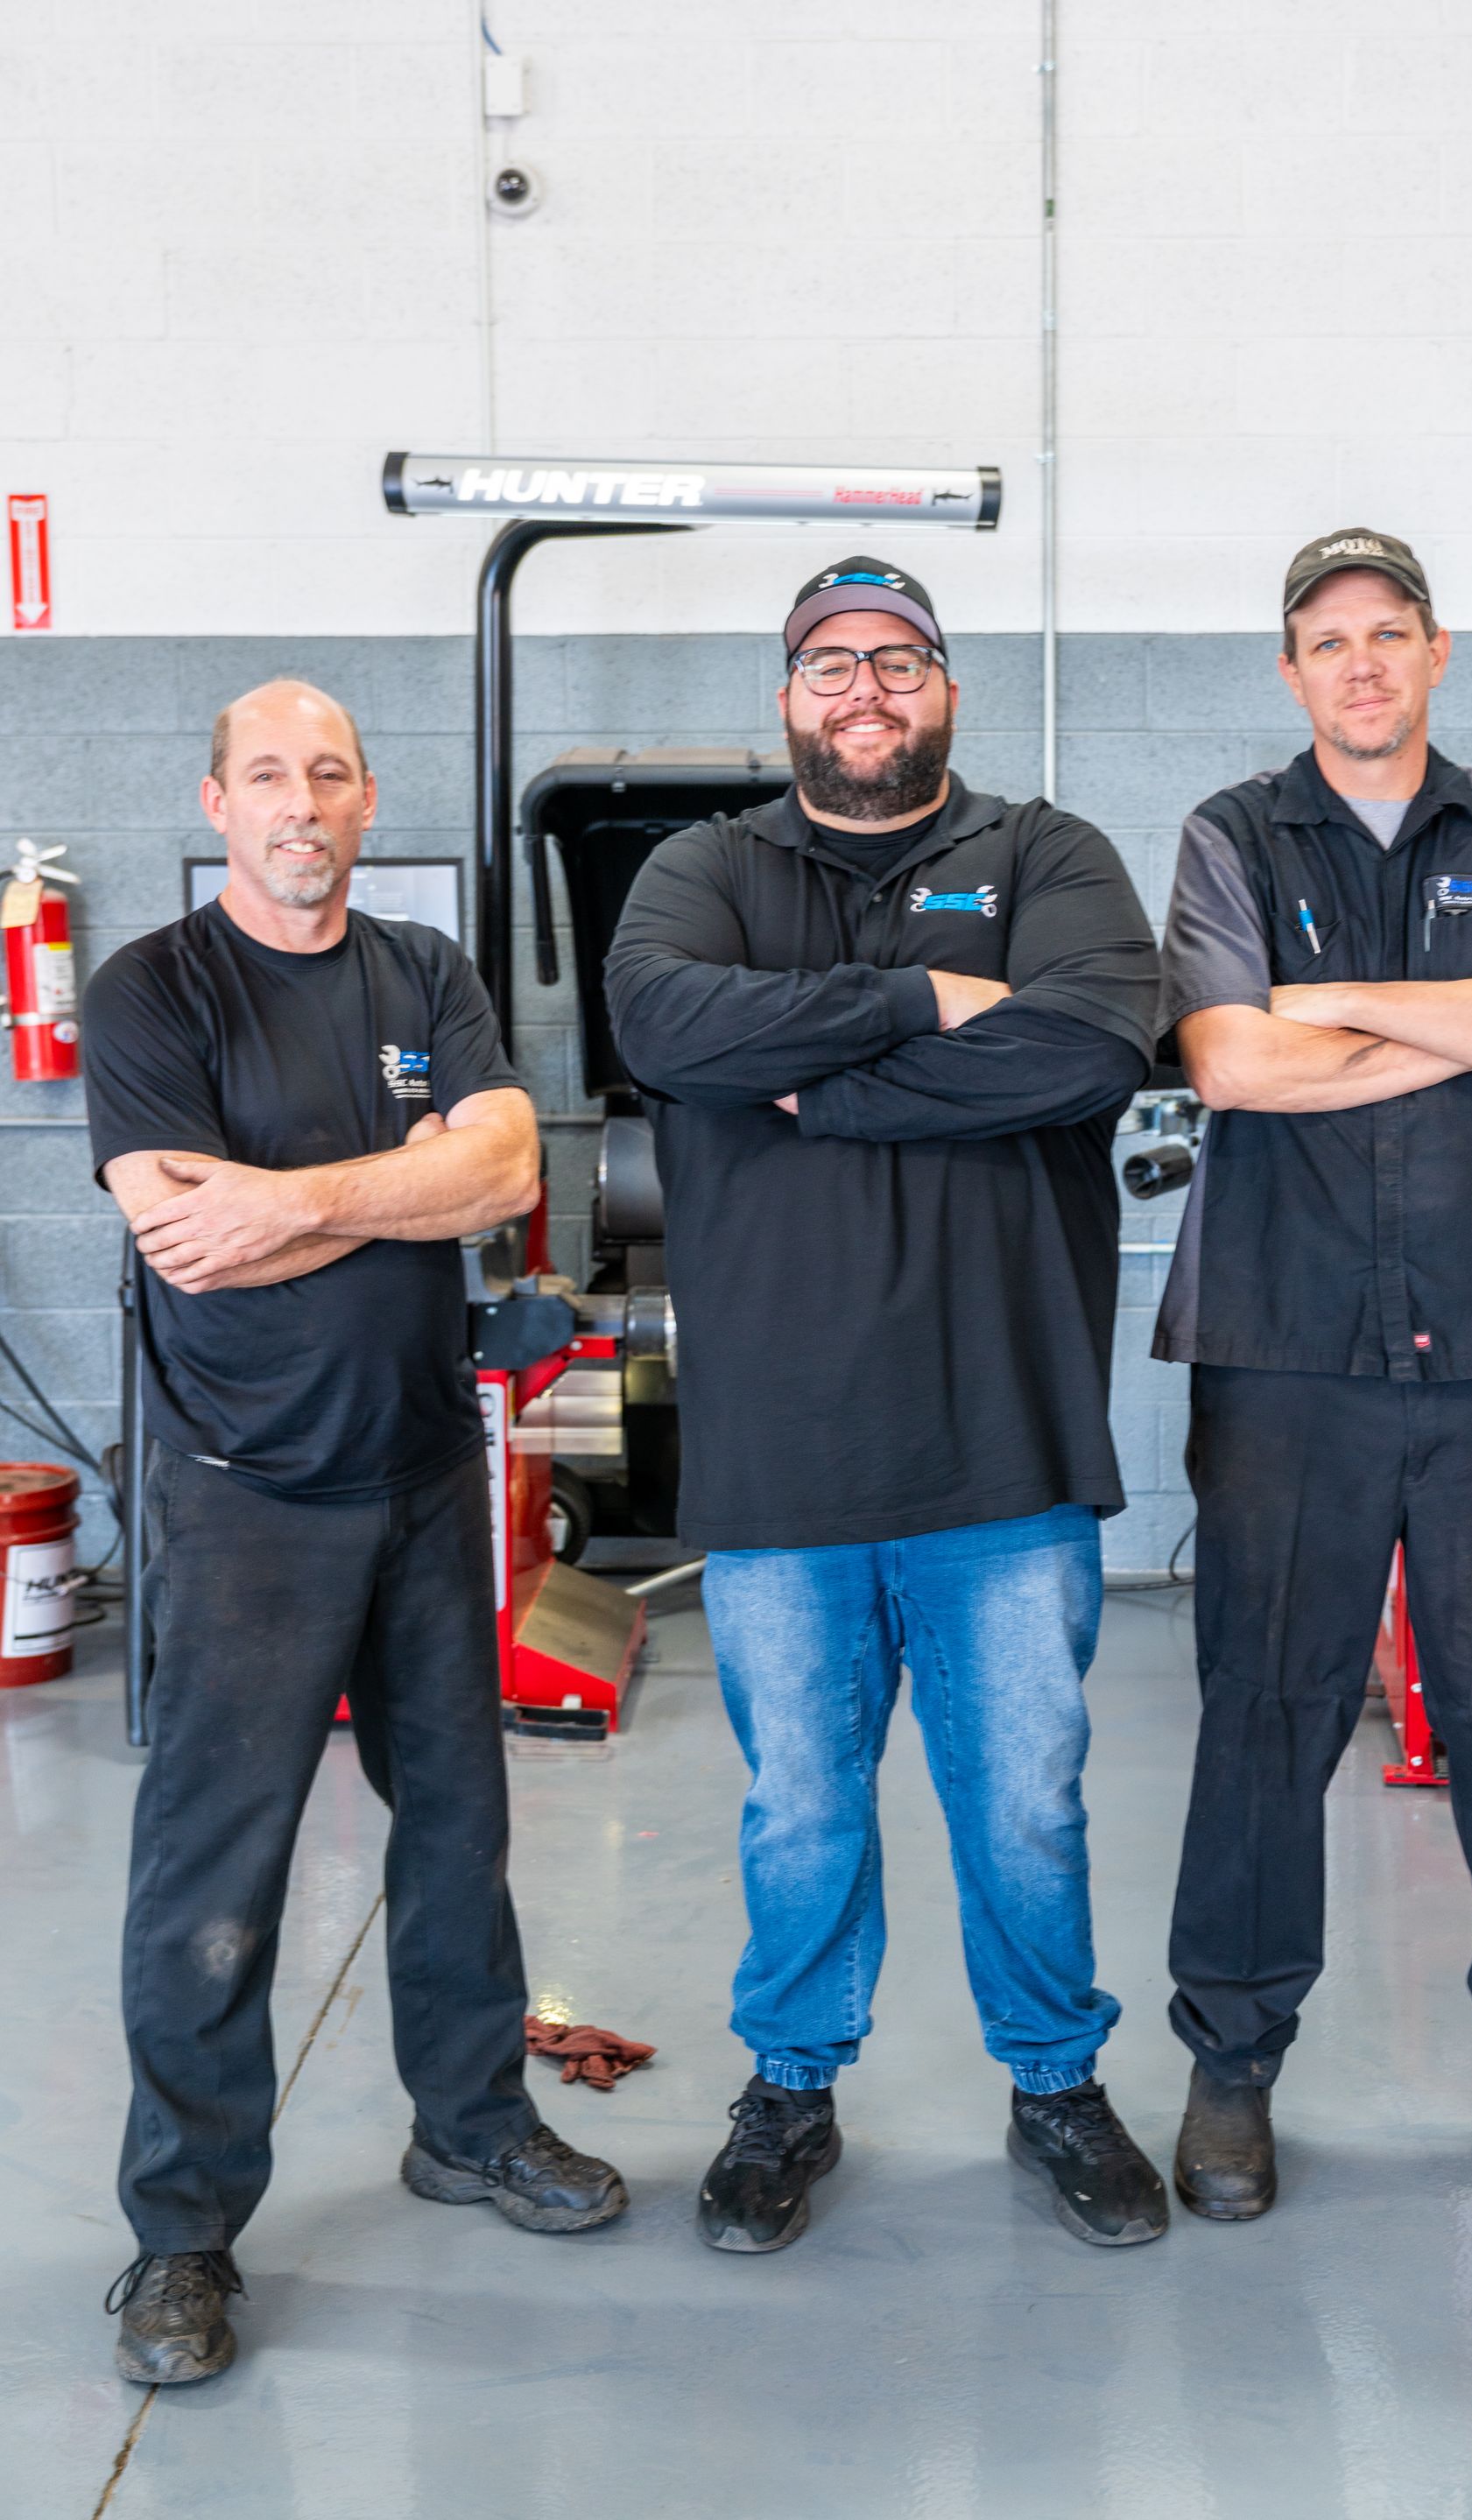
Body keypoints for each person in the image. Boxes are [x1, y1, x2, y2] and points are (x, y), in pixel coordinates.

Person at [605, 558, 1166, 2253]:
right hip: (784, 1452)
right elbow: (659, 1019)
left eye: (901, 659)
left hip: (1002, 1437)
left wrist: (805, 1088)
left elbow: (1087, 1047)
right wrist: (924, 1002)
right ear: (788, 695)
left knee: (1027, 1797)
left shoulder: (1045, 854)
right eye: (832, 663)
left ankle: (1055, 2082)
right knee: (800, 1806)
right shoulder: (703, 869)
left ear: (947, 686)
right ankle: (790, 2086)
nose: (867, 687)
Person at [83, 680, 627, 2389]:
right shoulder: (152, 990)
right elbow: (186, 1239)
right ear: (218, 796)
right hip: (244, 1495)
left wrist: (299, 1194)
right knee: (212, 1872)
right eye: (267, 773)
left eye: (329, 771)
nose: (301, 799)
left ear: (362, 793)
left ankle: (467, 2123)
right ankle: (181, 2228)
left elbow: (502, 1168)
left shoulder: (422, 974)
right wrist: (403, 1181)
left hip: (418, 1472)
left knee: (457, 1827)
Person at [1154, 530, 1472, 2239]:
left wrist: (1355, 1006)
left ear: (1437, 651)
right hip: (1283, 1354)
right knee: (1264, 1716)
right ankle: (1231, 2062)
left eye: (1386, 633)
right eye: (1325, 640)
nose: (1359, 664)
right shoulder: (1233, 833)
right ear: (1290, 673)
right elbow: (1227, 1057)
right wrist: (1467, 1017)